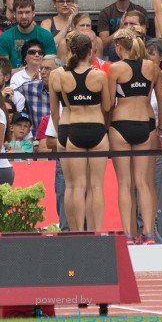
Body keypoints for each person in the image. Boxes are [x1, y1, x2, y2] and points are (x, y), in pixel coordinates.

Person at [50, 32, 111, 231]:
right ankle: (96, 231)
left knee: (74, 186)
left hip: (72, 129)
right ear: (91, 51)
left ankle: (76, 232)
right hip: (96, 129)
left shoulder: (63, 76)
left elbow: (61, 107)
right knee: (96, 186)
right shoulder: (99, 74)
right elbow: (108, 106)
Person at [107, 28, 162, 243]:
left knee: (125, 183)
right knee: (144, 182)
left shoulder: (116, 68)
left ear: (119, 47)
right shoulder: (151, 67)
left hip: (121, 124)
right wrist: (161, 129)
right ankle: (148, 233)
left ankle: (129, 235)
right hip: (145, 124)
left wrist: (106, 125)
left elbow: (109, 103)